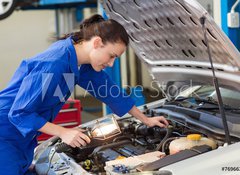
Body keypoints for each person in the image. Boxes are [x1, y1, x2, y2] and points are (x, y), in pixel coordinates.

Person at [0, 14, 168, 174]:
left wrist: (145, 119)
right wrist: (63, 132)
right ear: (96, 42)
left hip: (23, 140)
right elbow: (20, 113)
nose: (111, 64)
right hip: (5, 135)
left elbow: (110, 91)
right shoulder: (55, 63)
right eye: (111, 56)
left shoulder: (80, 62)